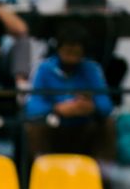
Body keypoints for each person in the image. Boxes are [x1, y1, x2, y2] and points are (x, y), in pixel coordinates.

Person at [23, 20, 117, 161]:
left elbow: (107, 105)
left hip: (83, 126)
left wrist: (92, 107)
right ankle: (41, 171)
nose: (71, 57)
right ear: (59, 49)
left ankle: (104, 177)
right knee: (33, 127)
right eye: (67, 51)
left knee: (108, 124)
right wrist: (57, 108)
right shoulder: (44, 69)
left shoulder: (92, 69)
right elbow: (31, 107)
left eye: (76, 52)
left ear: (83, 52)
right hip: (55, 125)